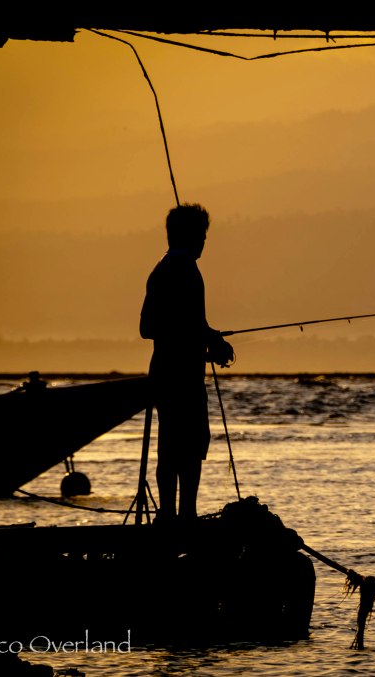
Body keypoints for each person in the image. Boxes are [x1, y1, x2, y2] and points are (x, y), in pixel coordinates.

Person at [140, 203, 234, 524]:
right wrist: (209, 340)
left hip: (168, 372)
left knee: (173, 445)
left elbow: (164, 326)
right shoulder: (183, 271)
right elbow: (156, 328)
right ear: (190, 236)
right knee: (188, 446)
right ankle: (182, 516)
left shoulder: (162, 269)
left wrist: (209, 340)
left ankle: (172, 515)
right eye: (202, 235)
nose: (205, 242)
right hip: (179, 377)